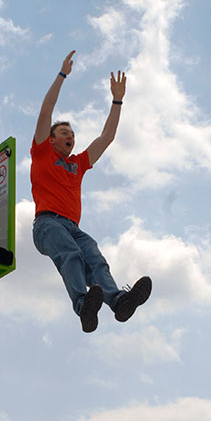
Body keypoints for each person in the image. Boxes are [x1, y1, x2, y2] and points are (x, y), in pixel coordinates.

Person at [31, 50, 152, 333]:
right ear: (51, 139)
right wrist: (62, 75)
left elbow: (107, 137)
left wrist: (117, 100)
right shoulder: (42, 152)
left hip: (73, 227)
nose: (70, 136)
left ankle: (119, 301)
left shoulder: (78, 163)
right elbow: (46, 111)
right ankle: (82, 304)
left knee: (95, 259)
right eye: (64, 132)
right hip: (47, 224)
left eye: (72, 134)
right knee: (71, 254)